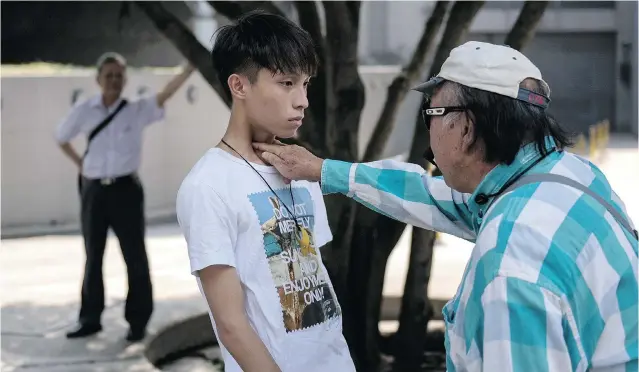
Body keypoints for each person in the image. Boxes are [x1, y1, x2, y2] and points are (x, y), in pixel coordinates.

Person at [254, 41, 639, 371]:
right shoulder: (569, 178)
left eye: (430, 114)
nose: (428, 131)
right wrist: (324, 170)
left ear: (466, 126)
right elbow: (429, 194)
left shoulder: (511, 266)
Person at [175, 11, 355, 372]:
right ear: (239, 86)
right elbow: (230, 323)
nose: (302, 100)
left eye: (306, 84)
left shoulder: (299, 168)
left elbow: (313, 281)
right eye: (287, 83)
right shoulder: (208, 185)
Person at [55, 52, 195, 341]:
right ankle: (90, 319)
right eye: (109, 75)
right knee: (93, 255)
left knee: (135, 256)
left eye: (119, 75)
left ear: (125, 79)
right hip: (94, 190)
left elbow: (166, 93)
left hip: (126, 190)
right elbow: (61, 136)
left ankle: (138, 322)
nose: (114, 81)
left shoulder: (136, 110)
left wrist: (191, 67)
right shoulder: (85, 110)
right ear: (98, 79)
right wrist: (82, 165)